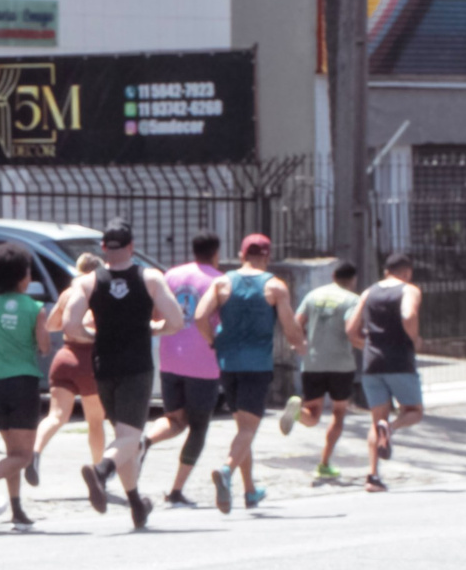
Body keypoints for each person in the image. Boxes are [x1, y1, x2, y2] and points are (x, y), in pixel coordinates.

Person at [63, 219, 187, 529]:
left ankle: (136, 504)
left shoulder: (87, 282)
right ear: (132, 247)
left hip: (104, 365)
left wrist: (92, 336)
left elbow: (70, 325)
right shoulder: (150, 278)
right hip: (136, 365)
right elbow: (176, 320)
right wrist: (154, 329)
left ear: (103, 247)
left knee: (123, 438)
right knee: (131, 437)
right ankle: (101, 471)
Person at [193, 234, 308, 514]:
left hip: (228, 364)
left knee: (243, 429)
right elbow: (290, 327)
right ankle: (226, 470)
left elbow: (199, 316)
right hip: (257, 366)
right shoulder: (275, 286)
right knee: (248, 429)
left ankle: (249, 490)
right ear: (268, 256)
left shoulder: (222, 283)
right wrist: (301, 345)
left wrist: (212, 341)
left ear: (241, 254)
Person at [142, 231, 228, 506]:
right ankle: (176, 491)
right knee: (198, 428)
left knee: (174, 418)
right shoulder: (219, 281)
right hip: (203, 362)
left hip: (170, 357)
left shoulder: (171, 275)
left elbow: (157, 314)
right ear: (216, 252)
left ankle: (145, 441)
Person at [0, 242, 49, 528]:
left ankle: (17, 509)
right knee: (24, 455)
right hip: (23, 384)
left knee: (13, 452)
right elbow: (45, 346)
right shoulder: (35, 308)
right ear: (23, 276)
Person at [350, 254, 426, 493]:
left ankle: (372, 476)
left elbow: (351, 330)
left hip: (372, 364)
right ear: (407, 272)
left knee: (376, 421)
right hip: (400, 361)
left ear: (386, 272)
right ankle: (391, 428)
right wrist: (413, 340)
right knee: (414, 412)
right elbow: (409, 315)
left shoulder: (368, 292)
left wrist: (366, 346)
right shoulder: (409, 290)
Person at [33, 251, 110, 477]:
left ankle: (35, 453)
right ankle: (98, 471)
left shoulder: (68, 293)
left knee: (55, 416)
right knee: (95, 422)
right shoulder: (99, 293)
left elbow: (52, 325)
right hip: (89, 361)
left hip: (64, 359)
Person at [293, 259, 367, 480]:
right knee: (338, 413)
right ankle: (324, 463)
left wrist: (302, 342)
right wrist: (366, 345)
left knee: (313, 415)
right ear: (353, 280)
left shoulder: (313, 295)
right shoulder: (353, 300)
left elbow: (297, 321)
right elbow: (351, 329)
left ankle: (297, 412)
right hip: (341, 365)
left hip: (312, 363)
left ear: (333, 276)